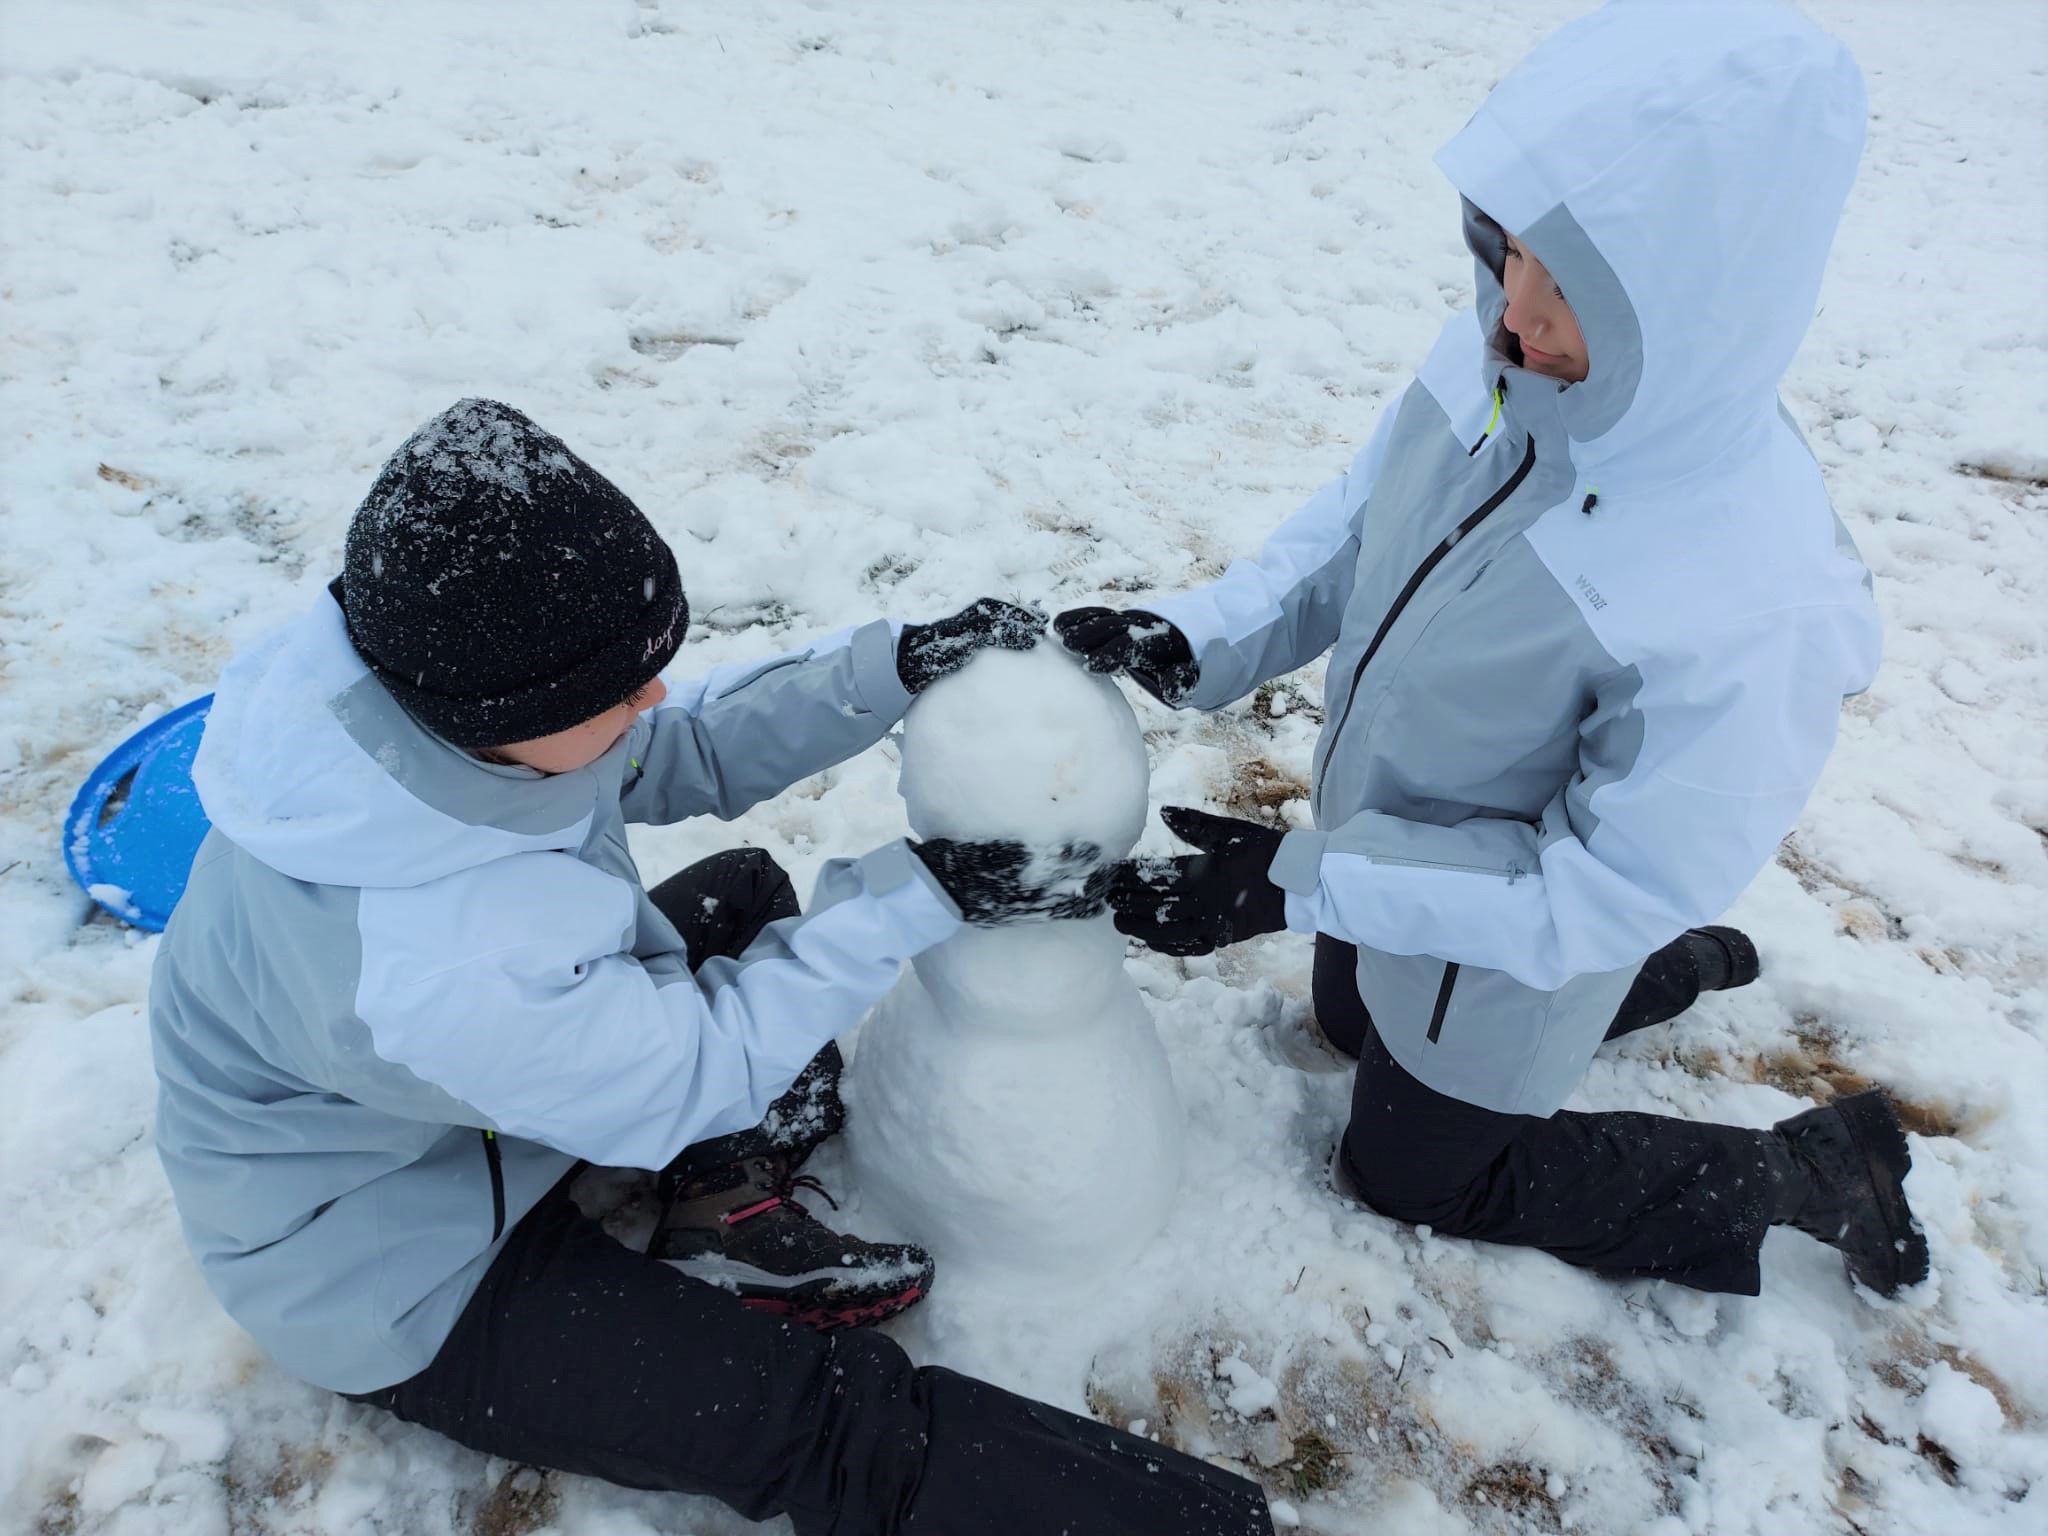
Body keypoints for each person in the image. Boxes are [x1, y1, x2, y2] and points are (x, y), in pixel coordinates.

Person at [149, 399, 1272, 1535]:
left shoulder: (425, 709)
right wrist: (920, 896)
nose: (650, 699)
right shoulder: (435, 959)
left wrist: (886, 670)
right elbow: (686, 1073)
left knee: (741, 892)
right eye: (616, 690)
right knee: (826, 1426)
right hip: (396, 1262)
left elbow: (669, 747)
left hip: (490, 1100)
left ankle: (714, 1211)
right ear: (507, 708)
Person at [1059, 0, 1927, 1301]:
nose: (1515, 307)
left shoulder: (1748, 599)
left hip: (1516, 938)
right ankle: (1671, 978)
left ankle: (1810, 1171)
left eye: (1570, 282)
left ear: (1698, 297)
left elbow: (1592, 891)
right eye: (1512, 247)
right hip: (1379, 848)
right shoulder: (1509, 361)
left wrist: (1302, 883)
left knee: (1410, 1175)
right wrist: (1204, 637)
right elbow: (1363, 526)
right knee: (1351, 1023)